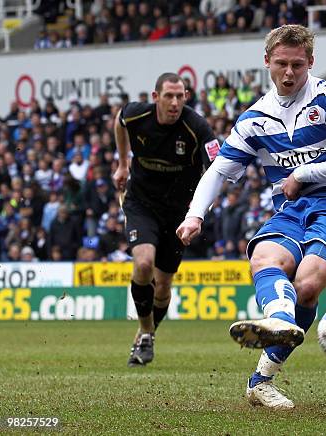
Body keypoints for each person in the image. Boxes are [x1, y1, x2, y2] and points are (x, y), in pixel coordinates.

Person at [176, 25, 326, 409]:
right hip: (291, 210)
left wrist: (302, 174)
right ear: (266, 61)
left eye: (297, 65)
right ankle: (279, 323)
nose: (289, 73)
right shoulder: (255, 118)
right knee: (265, 257)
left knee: (307, 283)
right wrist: (195, 216)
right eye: (281, 64)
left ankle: (262, 376)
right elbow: (219, 171)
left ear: (311, 63)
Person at [112, 72, 218, 367]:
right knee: (143, 263)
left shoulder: (196, 127)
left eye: (180, 96)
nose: (175, 103)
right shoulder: (137, 115)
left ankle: (145, 334)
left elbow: (217, 166)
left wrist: (201, 209)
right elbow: (119, 120)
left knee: (163, 285)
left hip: (178, 213)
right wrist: (122, 164)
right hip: (141, 203)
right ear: (156, 97)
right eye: (169, 96)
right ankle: (146, 334)